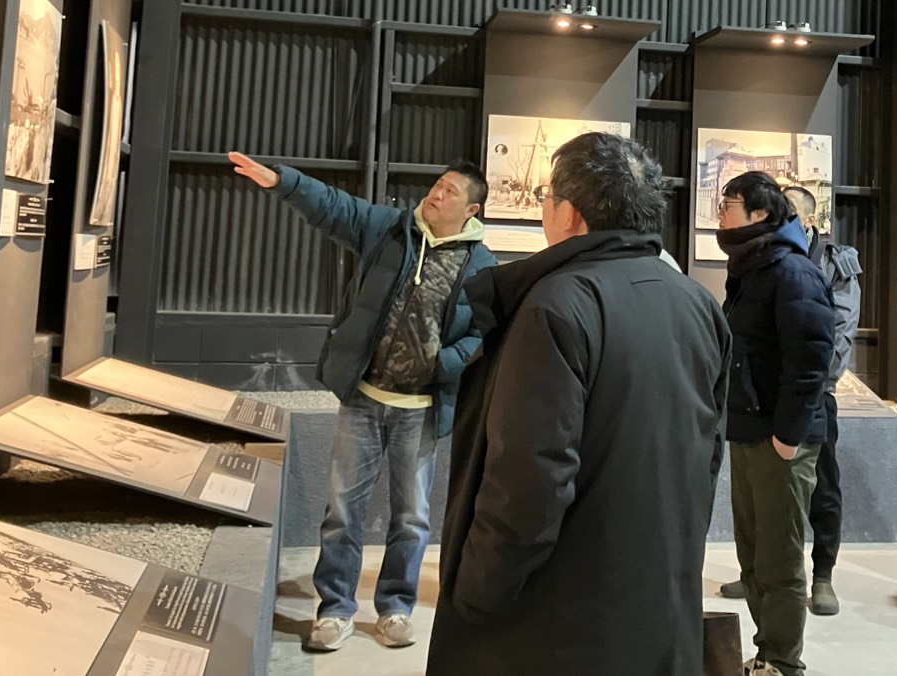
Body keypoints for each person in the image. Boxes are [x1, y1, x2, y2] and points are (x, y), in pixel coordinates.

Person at [427, 132, 730, 676]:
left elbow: (530, 479)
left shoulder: (557, 304)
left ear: (568, 215)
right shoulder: (696, 302)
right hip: (655, 591)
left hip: (560, 616)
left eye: (547, 197)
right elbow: (708, 453)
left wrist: (475, 589)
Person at [228, 152, 496, 652]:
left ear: (471, 210)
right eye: (437, 185)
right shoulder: (391, 230)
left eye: (450, 192)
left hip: (420, 410)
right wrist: (283, 181)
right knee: (342, 512)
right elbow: (334, 207)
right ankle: (334, 610)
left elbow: (482, 334)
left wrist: (445, 362)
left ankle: (395, 608)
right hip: (363, 400)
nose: (437, 195)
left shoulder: (481, 266)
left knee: (412, 517)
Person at [721, 186, 861, 616]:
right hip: (760, 411)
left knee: (822, 492)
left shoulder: (819, 266)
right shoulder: (752, 266)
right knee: (762, 519)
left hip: (811, 402)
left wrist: (796, 417)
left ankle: (822, 576)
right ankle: (757, 578)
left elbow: (831, 339)